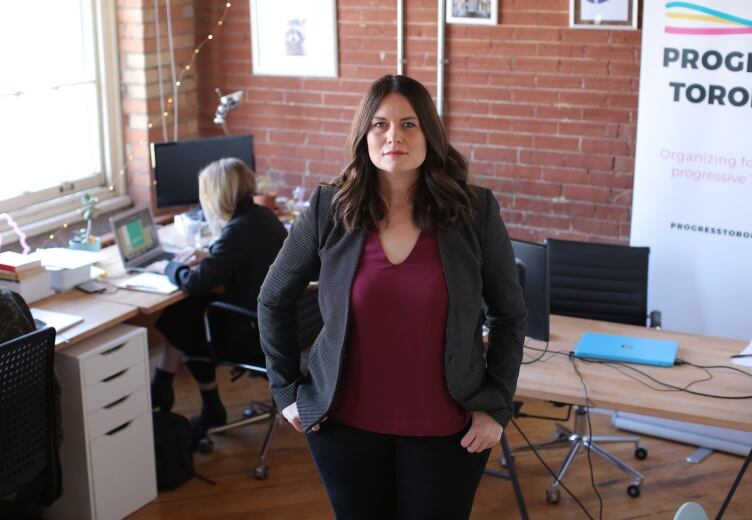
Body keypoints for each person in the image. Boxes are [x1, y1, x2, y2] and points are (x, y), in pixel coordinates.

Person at [258, 75, 527, 519]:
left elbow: (510, 315)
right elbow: (272, 299)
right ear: (364, 134)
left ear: (430, 135)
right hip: (343, 427)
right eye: (380, 124)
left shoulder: (475, 212)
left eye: (409, 124)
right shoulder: (330, 208)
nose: (393, 137)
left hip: (449, 429)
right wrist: (286, 391)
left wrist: (496, 407)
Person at [150, 157, 287, 429]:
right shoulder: (261, 216)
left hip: (254, 335)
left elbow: (193, 283)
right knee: (188, 310)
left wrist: (171, 266)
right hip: (279, 325)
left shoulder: (238, 229)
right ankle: (170, 385)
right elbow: (241, 256)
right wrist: (211, 254)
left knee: (188, 313)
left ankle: (179, 390)